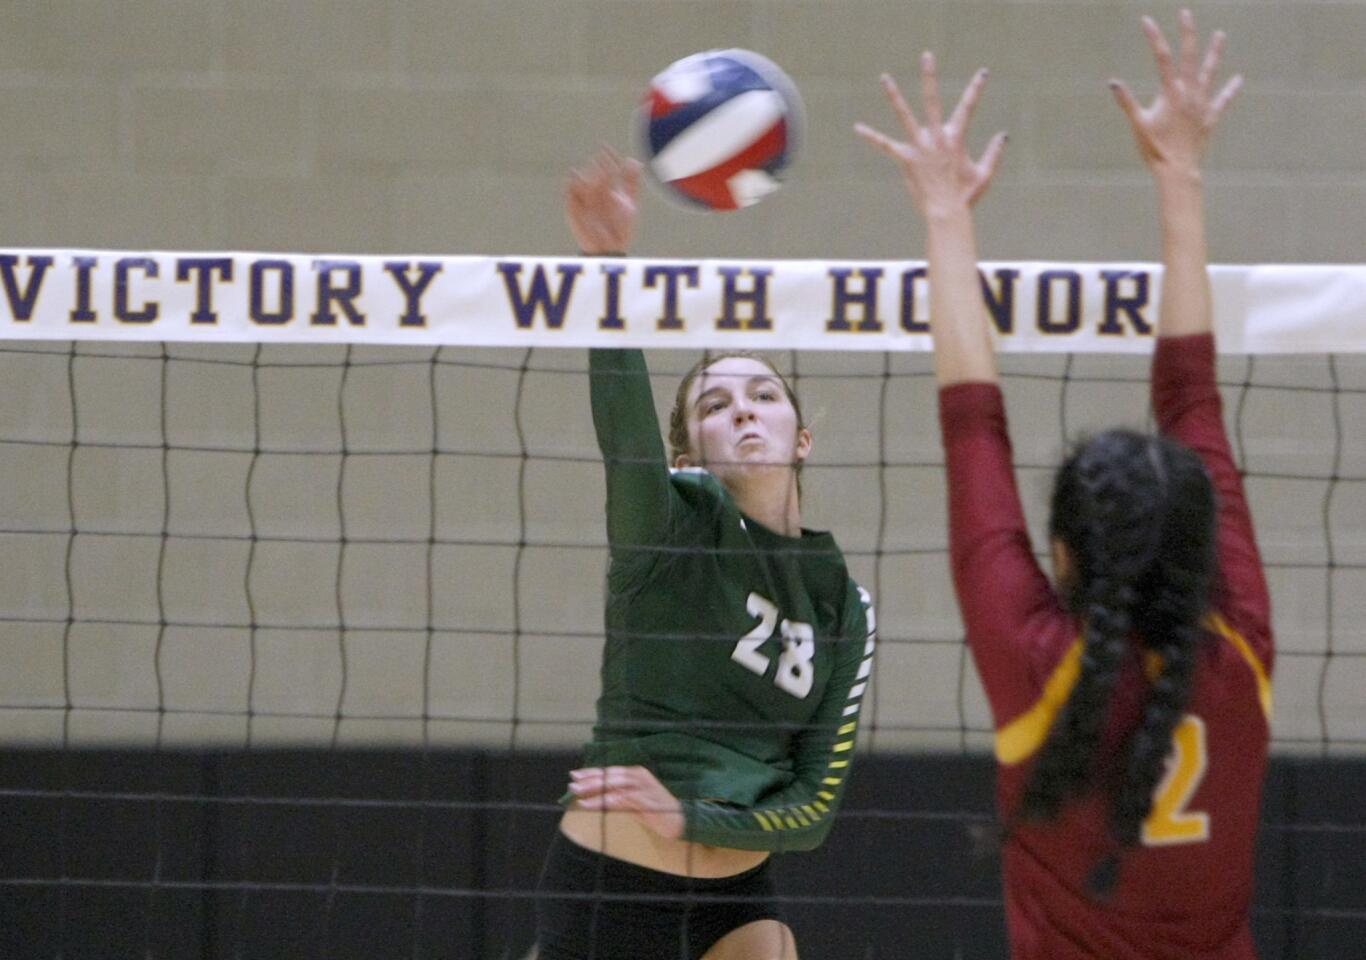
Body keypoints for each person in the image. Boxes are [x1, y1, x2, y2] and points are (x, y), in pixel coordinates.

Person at [857, 9, 1270, 958]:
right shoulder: (1239, 651)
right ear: (1207, 545)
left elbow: (974, 423)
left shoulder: (1038, 663)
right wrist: (1182, 173)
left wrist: (945, 215)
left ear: (1062, 552)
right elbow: (1192, 392)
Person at [531, 147, 877, 960]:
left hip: (735, 893)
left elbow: (814, 807)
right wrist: (606, 267)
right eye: (716, 405)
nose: (746, 413)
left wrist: (695, 818)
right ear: (687, 455)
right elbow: (623, 432)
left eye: (765, 396)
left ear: (802, 438)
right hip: (610, 886)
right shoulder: (667, 531)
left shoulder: (841, 606)